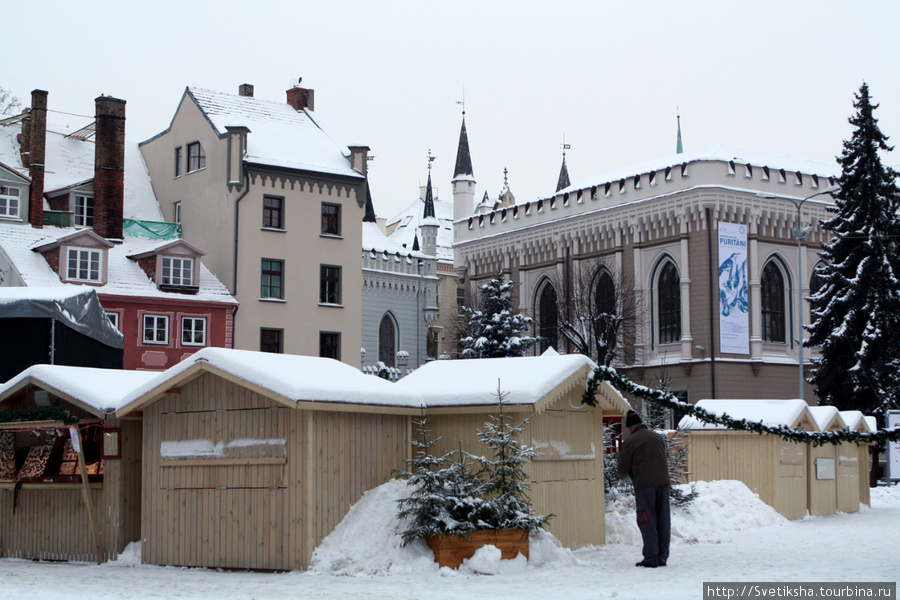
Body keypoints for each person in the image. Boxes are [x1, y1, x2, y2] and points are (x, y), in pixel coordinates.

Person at [617, 409, 670, 568]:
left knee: (647, 520)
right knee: (663, 520)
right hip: (663, 484)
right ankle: (662, 557)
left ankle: (651, 558)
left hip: (645, 485)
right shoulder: (657, 437)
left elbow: (622, 470)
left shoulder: (631, 441)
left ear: (630, 427)